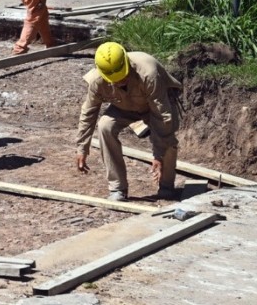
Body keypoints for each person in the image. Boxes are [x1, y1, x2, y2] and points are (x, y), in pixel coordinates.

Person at [75, 42, 183, 201]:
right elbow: (88, 112)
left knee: (167, 137)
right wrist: (82, 148)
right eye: (115, 80)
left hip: (154, 106)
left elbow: (162, 116)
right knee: (105, 126)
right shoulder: (97, 80)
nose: (120, 82)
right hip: (123, 106)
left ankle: (166, 186)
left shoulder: (148, 73)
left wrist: (158, 156)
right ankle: (117, 188)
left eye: (123, 77)